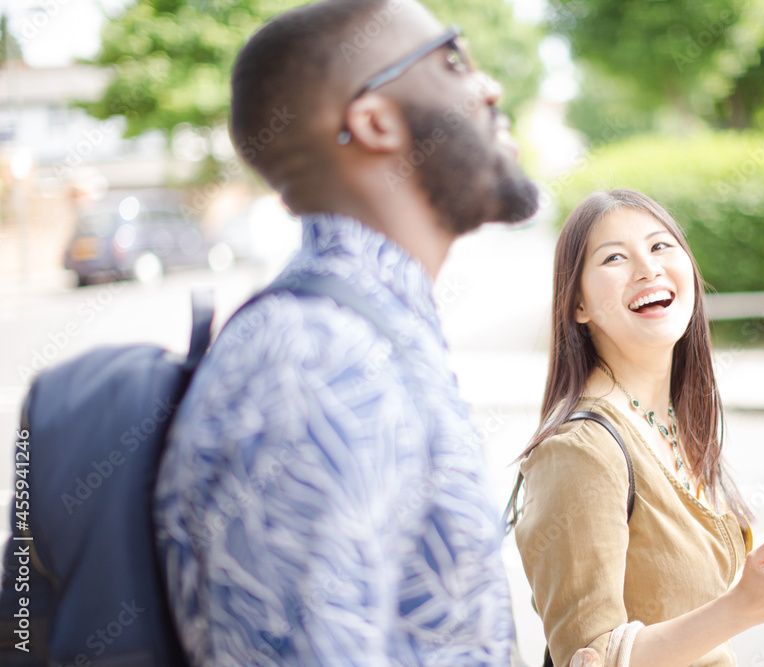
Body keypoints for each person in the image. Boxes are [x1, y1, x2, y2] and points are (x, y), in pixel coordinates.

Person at [153, 0, 541, 664]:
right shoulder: (319, 360)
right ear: (374, 120)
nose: (490, 86)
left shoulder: (367, 330)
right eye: (453, 58)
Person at [512, 190, 764, 667]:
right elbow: (588, 658)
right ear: (578, 305)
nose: (647, 268)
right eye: (614, 257)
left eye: (660, 247)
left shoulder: (675, 420)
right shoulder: (581, 449)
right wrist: (744, 606)